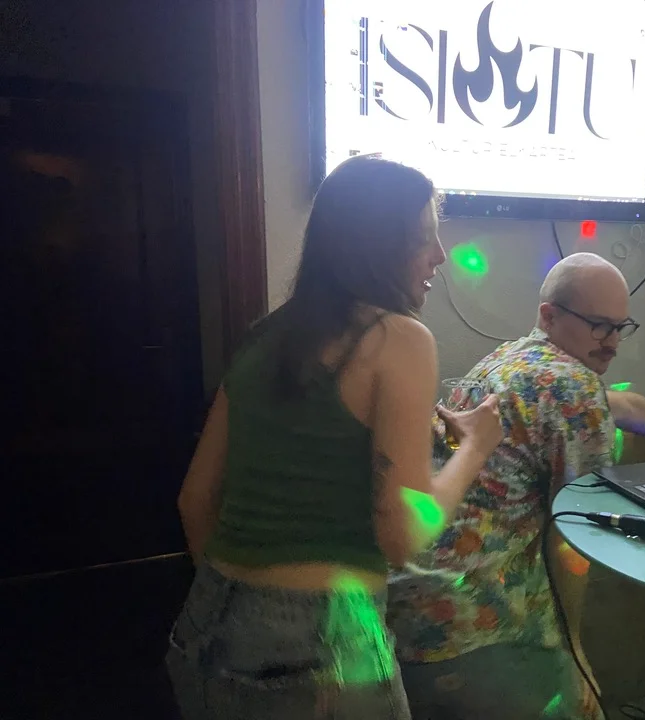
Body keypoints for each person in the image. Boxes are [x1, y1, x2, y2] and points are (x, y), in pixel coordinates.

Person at [166, 155, 504, 720]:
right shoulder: (399, 339)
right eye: (423, 237)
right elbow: (402, 536)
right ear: (375, 244)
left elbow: (193, 499)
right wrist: (475, 446)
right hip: (320, 642)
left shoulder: (264, 338)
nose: (440, 256)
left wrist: (245, 605)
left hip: (208, 621)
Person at [388, 253, 645, 720]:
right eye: (599, 327)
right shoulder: (573, 388)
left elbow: (622, 404)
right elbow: (572, 537)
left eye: (620, 327)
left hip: (409, 607)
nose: (612, 343)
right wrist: (572, 647)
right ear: (549, 316)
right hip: (476, 626)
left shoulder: (512, 361)